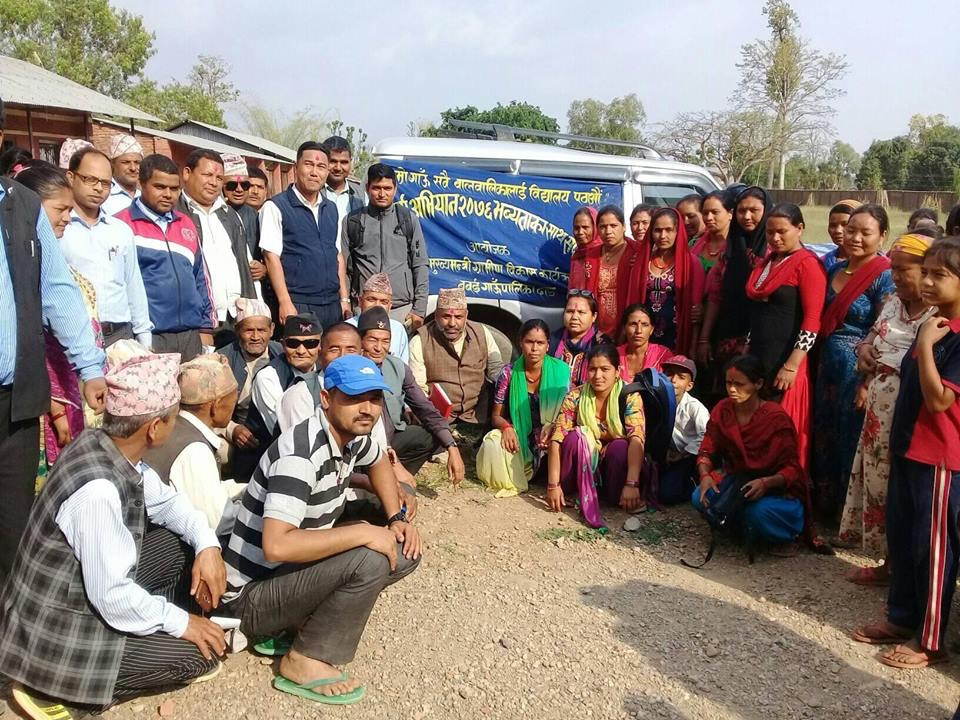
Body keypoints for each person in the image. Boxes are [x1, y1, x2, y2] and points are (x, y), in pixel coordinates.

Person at [0, 353, 227, 717]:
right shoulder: (99, 491)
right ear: (154, 428)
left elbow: (169, 505)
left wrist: (208, 546)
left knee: (176, 545)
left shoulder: (106, 446)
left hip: (78, 597)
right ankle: (60, 692)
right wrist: (182, 623)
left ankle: (149, 630)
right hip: (56, 634)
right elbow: (112, 596)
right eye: (172, 417)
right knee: (199, 657)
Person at [221, 354, 421, 705]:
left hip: (282, 577)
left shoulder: (348, 435)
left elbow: (376, 462)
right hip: (248, 598)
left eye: (374, 399)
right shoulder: (300, 454)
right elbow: (277, 546)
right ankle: (303, 659)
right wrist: (362, 533)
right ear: (326, 399)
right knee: (371, 558)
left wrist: (395, 518)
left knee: (402, 550)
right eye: (354, 398)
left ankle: (297, 624)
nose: (368, 409)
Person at [0, 149, 107, 584]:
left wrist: (90, 366)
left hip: (16, 400)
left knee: (14, 525)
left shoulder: (20, 205)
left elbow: (57, 291)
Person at [853, 238, 960, 670]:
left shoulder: (947, 334)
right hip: (908, 446)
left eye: (941, 275)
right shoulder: (934, 322)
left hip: (940, 458)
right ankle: (901, 618)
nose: (928, 282)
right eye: (927, 272)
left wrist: (928, 348)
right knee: (903, 537)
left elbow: (939, 401)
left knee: (932, 550)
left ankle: (931, 641)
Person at [838, 233, 935, 582]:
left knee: (908, 492)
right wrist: (863, 350)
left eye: (903, 269)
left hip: (914, 417)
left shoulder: (940, 313)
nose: (894, 275)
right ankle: (888, 563)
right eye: (892, 268)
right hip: (879, 412)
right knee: (880, 486)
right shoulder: (894, 302)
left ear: (927, 270)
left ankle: (909, 573)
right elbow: (871, 336)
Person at [16, 163, 105, 480]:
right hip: (47, 406)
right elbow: (37, 343)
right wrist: (55, 407)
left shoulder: (54, 260)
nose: (68, 217)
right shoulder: (23, 266)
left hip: (78, 390)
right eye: (60, 209)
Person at [813, 204, 894, 519]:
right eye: (851, 230)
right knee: (825, 434)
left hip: (857, 372)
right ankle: (826, 509)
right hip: (827, 368)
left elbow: (884, 331)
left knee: (852, 440)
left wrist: (866, 384)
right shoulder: (833, 270)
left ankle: (851, 518)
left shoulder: (883, 276)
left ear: (882, 236)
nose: (855, 237)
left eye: (865, 232)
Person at [693, 355, 815, 556]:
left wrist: (766, 483)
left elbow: (793, 470)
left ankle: (782, 536)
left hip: (775, 490)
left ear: (758, 384)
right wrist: (705, 476)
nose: (732, 389)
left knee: (758, 513)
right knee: (699, 496)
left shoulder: (776, 418)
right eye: (728, 383)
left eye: (739, 384)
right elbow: (707, 449)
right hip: (738, 482)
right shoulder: (723, 409)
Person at [745, 203, 826, 468]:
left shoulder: (808, 265)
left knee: (779, 428)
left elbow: (812, 321)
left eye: (782, 232)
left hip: (785, 362)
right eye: (769, 233)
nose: (775, 238)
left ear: (800, 229)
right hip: (759, 357)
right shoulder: (769, 263)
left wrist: (791, 365)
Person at [115, 154, 216, 361]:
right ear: (142, 184)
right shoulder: (121, 225)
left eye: (174, 188)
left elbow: (201, 278)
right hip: (148, 337)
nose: (168, 194)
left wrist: (206, 328)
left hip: (190, 334)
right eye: (160, 187)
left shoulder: (185, 223)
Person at [143, 354, 245, 537]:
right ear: (215, 405)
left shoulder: (174, 427)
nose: (234, 407)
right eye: (233, 400)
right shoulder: (194, 450)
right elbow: (219, 521)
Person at [358, 306, 464, 480]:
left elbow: (425, 408)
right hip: (360, 445)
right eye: (372, 340)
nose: (379, 347)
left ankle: (395, 480)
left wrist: (452, 446)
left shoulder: (397, 367)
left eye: (385, 341)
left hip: (391, 438)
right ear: (360, 340)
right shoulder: (351, 369)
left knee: (432, 435)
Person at [61, 146, 153, 348]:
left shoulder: (120, 230)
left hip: (120, 336)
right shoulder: (59, 228)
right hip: (75, 337)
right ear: (70, 177)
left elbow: (133, 284)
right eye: (89, 179)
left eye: (105, 183)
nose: (98, 188)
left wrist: (143, 335)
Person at [546, 344, 646, 527]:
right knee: (576, 437)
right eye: (592, 369)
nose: (598, 376)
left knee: (620, 447)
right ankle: (573, 491)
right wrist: (553, 485)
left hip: (612, 471)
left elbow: (637, 439)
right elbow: (556, 439)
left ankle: (615, 495)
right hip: (579, 468)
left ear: (617, 371)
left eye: (605, 369)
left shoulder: (630, 396)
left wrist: (632, 484)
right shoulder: (576, 396)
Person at [260, 141, 350, 328]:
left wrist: (344, 299)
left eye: (321, 167)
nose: (314, 172)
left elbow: (337, 255)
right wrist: (285, 301)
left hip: (332, 304)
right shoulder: (276, 207)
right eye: (308, 165)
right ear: (296, 167)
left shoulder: (330, 208)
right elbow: (271, 257)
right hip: (298, 302)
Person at [478, 319, 571, 496]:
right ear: (520, 342)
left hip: (552, 440)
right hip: (521, 441)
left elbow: (570, 413)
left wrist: (554, 426)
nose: (534, 348)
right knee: (493, 440)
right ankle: (519, 476)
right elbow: (496, 415)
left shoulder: (562, 371)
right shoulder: (509, 373)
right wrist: (506, 427)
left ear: (547, 345)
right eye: (529, 342)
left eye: (540, 343)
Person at [177, 148, 258, 344]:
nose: (213, 182)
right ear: (187, 173)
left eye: (219, 177)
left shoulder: (229, 215)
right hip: (198, 322)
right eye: (207, 175)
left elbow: (244, 268)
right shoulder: (176, 214)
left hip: (234, 317)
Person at [409, 288, 504, 441]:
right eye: (446, 316)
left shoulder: (482, 332)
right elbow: (418, 387)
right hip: (439, 415)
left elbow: (497, 371)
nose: (452, 323)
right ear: (436, 316)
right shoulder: (420, 340)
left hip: (478, 410)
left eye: (458, 317)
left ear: (466, 316)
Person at [343, 163, 429, 329]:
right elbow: (344, 269)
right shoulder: (353, 221)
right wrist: (346, 303)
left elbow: (420, 265)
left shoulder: (407, 219)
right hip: (363, 309)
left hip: (401, 310)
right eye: (376, 188)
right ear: (368, 188)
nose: (382, 194)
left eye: (387, 188)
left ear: (395, 189)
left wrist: (419, 309)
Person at [699, 186, 771, 369]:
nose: (746, 217)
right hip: (727, 338)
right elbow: (716, 296)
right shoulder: (729, 251)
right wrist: (704, 339)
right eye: (741, 211)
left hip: (763, 342)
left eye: (753, 210)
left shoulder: (775, 252)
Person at [621, 206, 704, 355]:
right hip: (644, 335)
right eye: (657, 230)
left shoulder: (691, 263)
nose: (662, 235)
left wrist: (693, 345)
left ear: (678, 232)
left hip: (676, 336)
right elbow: (631, 302)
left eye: (668, 230)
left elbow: (695, 311)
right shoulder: (641, 262)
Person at [217, 298, 281, 462]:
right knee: (222, 452)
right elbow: (206, 411)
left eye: (261, 330)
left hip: (277, 427)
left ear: (272, 330)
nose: (255, 336)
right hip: (241, 428)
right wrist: (232, 430)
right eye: (249, 330)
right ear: (238, 330)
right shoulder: (222, 360)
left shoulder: (282, 354)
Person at [247, 312, 322, 445]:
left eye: (310, 343)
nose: (301, 351)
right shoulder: (268, 377)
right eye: (293, 343)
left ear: (320, 346)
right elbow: (286, 431)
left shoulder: (325, 370)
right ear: (282, 344)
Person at [574, 205, 637, 338]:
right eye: (603, 227)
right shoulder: (591, 255)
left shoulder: (636, 252)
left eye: (613, 226)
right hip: (596, 329)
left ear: (624, 227)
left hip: (628, 328)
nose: (608, 231)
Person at [658, 355, 709, 505]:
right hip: (667, 453)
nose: (673, 380)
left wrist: (683, 454)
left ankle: (693, 483)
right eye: (669, 374)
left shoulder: (695, 407)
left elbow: (706, 435)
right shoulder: (657, 401)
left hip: (689, 456)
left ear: (689, 386)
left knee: (668, 495)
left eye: (681, 377)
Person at [550, 289, 613, 386]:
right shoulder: (552, 341)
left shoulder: (602, 344)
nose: (575, 317)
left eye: (581, 312)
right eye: (570, 311)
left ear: (594, 316)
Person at [346, 273, 410, 363]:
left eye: (384, 302)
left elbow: (403, 365)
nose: (377, 305)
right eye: (371, 299)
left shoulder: (398, 329)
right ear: (360, 301)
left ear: (390, 306)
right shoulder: (347, 328)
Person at [322, 135, 366, 245]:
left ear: (350, 162)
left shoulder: (360, 195)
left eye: (344, 162)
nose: (338, 167)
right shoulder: (313, 192)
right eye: (332, 161)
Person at [221, 153, 262, 265]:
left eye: (244, 185)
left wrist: (264, 269)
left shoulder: (257, 217)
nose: (239, 190)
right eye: (232, 185)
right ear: (221, 186)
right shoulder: (212, 216)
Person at [616, 303, 672, 380]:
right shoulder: (615, 355)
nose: (638, 330)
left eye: (644, 324)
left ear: (651, 329)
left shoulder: (662, 355)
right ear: (624, 328)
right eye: (633, 324)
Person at [691, 189, 734, 274]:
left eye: (715, 212)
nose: (709, 218)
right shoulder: (694, 244)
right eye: (705, 213)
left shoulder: (737, 248)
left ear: (730, 213)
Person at [101, 134, 143, 216]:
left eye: (137, 162)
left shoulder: (144, 196)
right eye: (126, 162)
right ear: (112, 164)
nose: (133, 168)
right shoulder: (102, 196)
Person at [821, 199, 862, 271]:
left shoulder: (878, 265)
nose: (838, 231)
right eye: (833, 225)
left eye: (845, 224)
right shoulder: (822, 262)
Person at [567, 206, 601, 290]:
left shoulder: (604, 254)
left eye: (585, 227)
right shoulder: (576, 256)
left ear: (595, 228)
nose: (580, 232)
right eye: (576, 228)